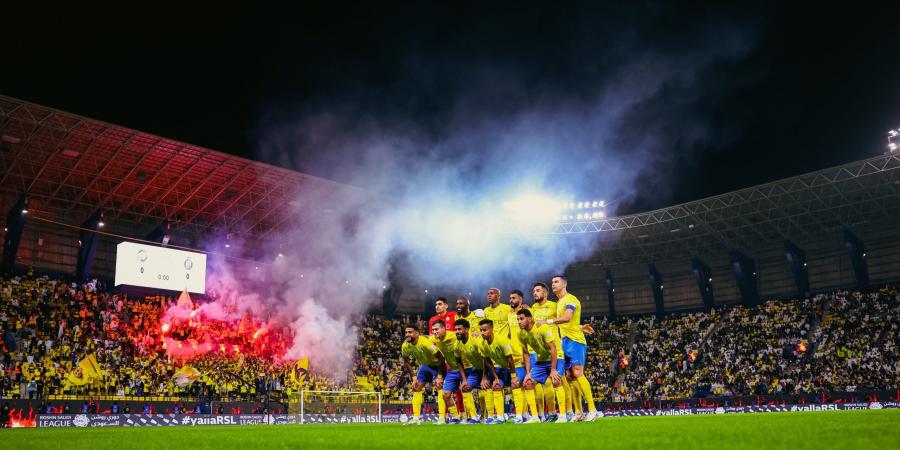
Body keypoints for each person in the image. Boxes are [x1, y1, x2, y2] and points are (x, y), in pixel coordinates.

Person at [542, 275, 599, 421]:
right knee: (570, 376)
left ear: (564, 284)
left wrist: (546, 321)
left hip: (575, 341)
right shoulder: (560, 302)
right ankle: (578, 412)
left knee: (578, 373)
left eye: (556, 282)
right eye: (552, 282)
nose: (553, 284)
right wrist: (580, 326)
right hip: (564, 342)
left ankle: (592, 410)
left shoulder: (570, 300)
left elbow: (567, 318)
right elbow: (569, 323)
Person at [517, 308, 566, 423]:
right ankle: (534, 417)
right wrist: (528, 373)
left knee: (556, 380)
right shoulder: (521, 334)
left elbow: (553, 348)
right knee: (528, 383)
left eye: (521, 319)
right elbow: (525, 353)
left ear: (529, 319)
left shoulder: (542, 328)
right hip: (542, 360)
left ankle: (563, 415)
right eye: (518, 319)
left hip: (557, 357)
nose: (519, 321)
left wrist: (553, 370)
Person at [400, 325, 444, 425]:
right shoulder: (405, 345)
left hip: (437, 365)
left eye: (410, 332)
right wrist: (414, 378)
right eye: (406, 332)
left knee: (440, 388)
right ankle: (416, 418)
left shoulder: (425, 343)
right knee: (416, 388)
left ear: (416, 333)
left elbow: (441, 358)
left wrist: (440, 376)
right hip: (425, 366)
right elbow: (406, 362)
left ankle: (442, 418)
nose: (407, 334)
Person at [478, 319, 516, 424]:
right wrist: (496, 378)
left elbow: (510, 360)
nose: (482, 333)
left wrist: (513, 376)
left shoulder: (502, 340)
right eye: (481, 330)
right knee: (496, 386)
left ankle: (523, 416)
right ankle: (500, 417)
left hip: (516, 366)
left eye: (484, 330)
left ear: (491, 329)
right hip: (502, 368)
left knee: (517, 385)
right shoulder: (482, 344)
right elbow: (488, 361)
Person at [430, 320, 465, 424]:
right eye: (433, 330)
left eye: (437, 329)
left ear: (444, 328)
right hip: (452, 370)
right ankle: (455, 417)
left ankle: (476, 417)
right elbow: (424, 340)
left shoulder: (454, 336)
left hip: (465, 369)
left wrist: (475, 333)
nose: (434, 332)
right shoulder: (433, 339)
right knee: (445, 394)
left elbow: (467, 336)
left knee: (467, 392)